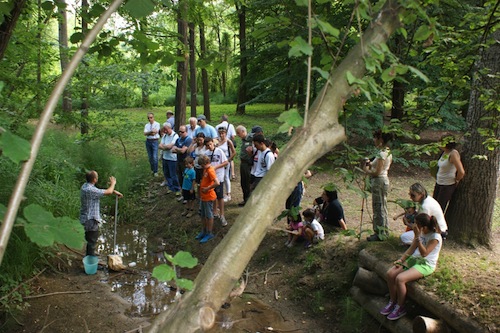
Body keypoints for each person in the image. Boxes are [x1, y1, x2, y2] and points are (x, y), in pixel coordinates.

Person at [380, 213, 442, 320]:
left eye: (415, 224)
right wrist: (402, 259)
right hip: (414, 259)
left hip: (425, 264)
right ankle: (392, 301)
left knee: (400, 279)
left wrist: (417, 237)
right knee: (390, 274)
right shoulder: (421, 232)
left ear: (424, 227)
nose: (413, 226)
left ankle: (400, 307)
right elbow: (412, 248)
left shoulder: (435, 237)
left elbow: (424, 253)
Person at [80, 171, 123, 256]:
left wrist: (113, 190)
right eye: (97, 177)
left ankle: (90, 256)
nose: (98, 178)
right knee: (92, 242)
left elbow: (100, 191)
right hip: (91, 219)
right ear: (94, 179)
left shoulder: (85, 186)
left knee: (90, 241)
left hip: (86, 218)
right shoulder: (90, 190)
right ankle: (90, 264)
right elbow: (108, 192)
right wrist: (113, 183)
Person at [363, 129, 394, 242]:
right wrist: (370, 163)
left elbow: (377, 172)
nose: (374, 140)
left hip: (379, 181)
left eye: (375, 137)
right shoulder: (385, 152)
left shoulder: (382, 154)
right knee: (381, 206)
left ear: (380, 139)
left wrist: (366, 169)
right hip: (381, 181)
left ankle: (380, 233)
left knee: (378, 207)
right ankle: (383, 231)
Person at [433, 134, 465, 212]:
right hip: (439, 183)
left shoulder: (453, 154)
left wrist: (456, 180)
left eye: (440, 141)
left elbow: (461, 171)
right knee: (433, 206)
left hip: (447, 185)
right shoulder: (444, 153)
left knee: (439, 209)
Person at [204, 137, 229, 226]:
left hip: (219, 177)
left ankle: (222, 215)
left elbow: (226, 162)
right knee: (213, 196)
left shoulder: (219, 151)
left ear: (213, 143)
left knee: (220, 196)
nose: (209, 146)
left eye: (210, 144)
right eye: (207, 145)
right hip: (210, 178)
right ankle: (215, 212)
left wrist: (216, 167)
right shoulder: (206, 154)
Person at [196, 154, 220, 243]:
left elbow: (217, 183)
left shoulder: (210, 170)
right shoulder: (205, 169)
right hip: (203, 196)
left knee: (209, 215)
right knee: (202, 214)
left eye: (202, 165)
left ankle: (209, 233)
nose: (202, 167)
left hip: (208, 196)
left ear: (206, 163)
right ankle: (204, 231)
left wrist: (207, 188)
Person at [159, 123, 181, 195]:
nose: (165, 131)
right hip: (165, 157)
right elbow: (160, 145)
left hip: (172, 158)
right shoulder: (165, 136)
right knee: (166, 173)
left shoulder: (175, 136)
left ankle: (177, 188)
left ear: (169, 128)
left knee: (173, 174)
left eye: (166, 129)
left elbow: (170, 146)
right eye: (164, 129)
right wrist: (165, 147)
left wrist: (165, 147)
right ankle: (170, 187)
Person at [172, 125, 193, 199]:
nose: (180, 133)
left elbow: (183, 151)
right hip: (178, 161)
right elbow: (173, 150)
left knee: (186, 179)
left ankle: (188, 195)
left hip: (186, 162)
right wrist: (179, 149)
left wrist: (177, 149)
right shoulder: (178, 139)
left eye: (182, 132)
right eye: (179, 131)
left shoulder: (188, 140)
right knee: (180, 178)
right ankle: (183, 194)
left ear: (186, 132)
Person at [236, 125, 253, 206]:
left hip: (248, 164)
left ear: (243, 131)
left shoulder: (250, 138)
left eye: (238, 133)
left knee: (247, 182)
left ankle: (249, 200)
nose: (237, 135)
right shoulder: (243, 140)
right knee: (243, 182)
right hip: (243, 163)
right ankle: (245, 199)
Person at [217, 127, 236, 202]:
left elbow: (234, 152)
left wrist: (228, 160)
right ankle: (220, 192)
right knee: (219, 176)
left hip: (226, 160)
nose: (221, 135)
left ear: (225, 133)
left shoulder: (228, 141)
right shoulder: (217, 141)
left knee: (225, 176)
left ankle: (228, 193)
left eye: (223, 133)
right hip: (218, 161)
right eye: (220, 133)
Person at [216, 115, 237, 179]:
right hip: (227, 146)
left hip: (222, 145)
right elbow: (233, 136)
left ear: (221, 119)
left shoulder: (217, 126)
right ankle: (233, 173)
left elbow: (215, 137)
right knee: (231, 159)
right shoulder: (231, 126)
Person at [144, 112, 160, 176]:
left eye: (151, 117)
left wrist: (149, 132)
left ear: (153, 117)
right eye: (148, 118)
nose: (150, 119)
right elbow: (145, 133)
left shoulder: (157, 124)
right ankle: (152, 169)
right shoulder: (146, 125)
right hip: (148, 141)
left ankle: (155, 171)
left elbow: (155, 133)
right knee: (150, 157)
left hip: (155, 141)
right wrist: (151, 132)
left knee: (155, 157)